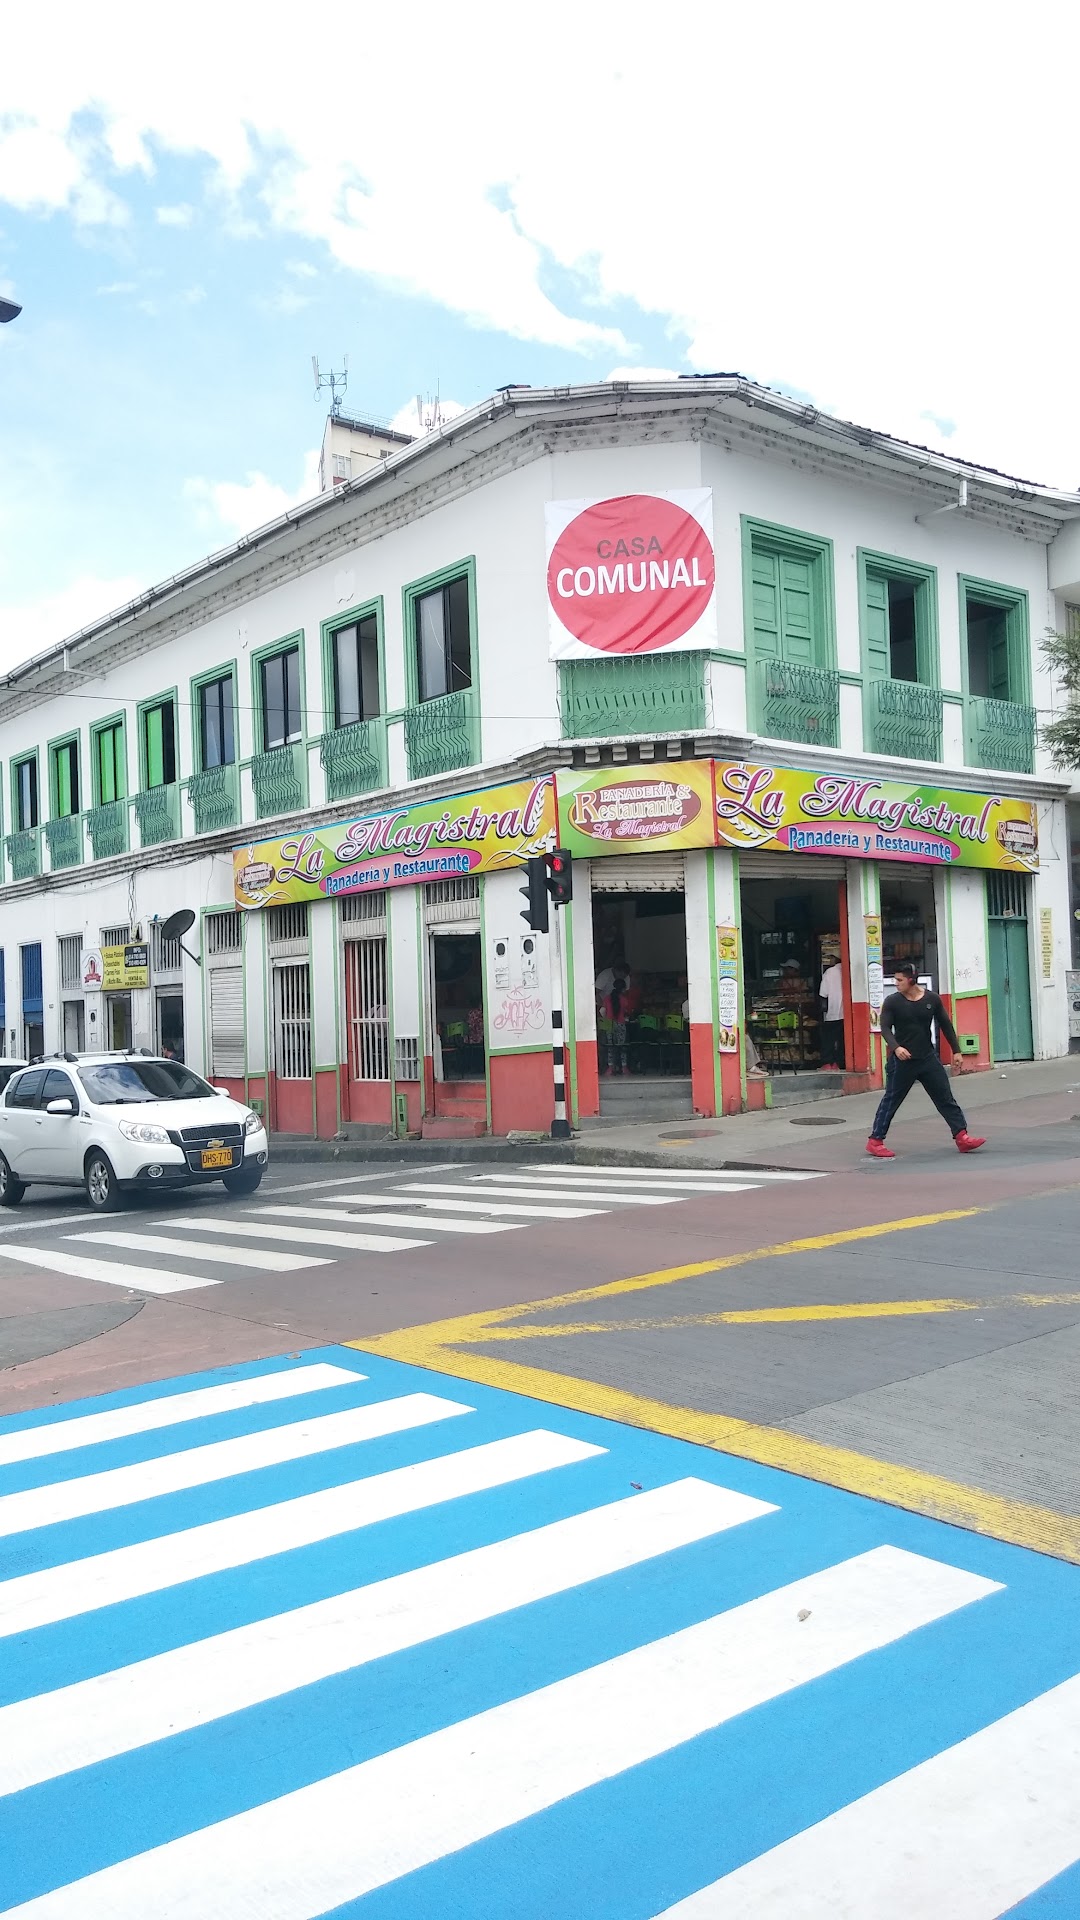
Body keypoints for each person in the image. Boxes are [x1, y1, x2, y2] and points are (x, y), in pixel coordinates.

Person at [867, 962, 985, 1158]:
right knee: (892, 1100)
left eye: (899, 980)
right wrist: (896, 1048)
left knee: (945, 1097)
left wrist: (957, 1051)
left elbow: (945, 1024)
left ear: (911, 980)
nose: (895, 983)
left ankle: (962, 1137)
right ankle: (875, 1140)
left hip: (928, 1058)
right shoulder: (892, 1002)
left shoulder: (931, 999)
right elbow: (885, 1028)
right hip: (903, 1061)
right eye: (895, 979)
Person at [819, 960, 845, 1069]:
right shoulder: (849, 971)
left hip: (833, 1011)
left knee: (829, 1039)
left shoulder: (830, 972)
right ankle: (840, 1062)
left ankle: (828, 1062)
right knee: (842, 1040)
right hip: (847, 1013)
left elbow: (823, 993)